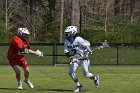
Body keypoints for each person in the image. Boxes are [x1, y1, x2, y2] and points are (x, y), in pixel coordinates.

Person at [64, 26, 99, 92]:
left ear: (72, 32)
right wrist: (68, 54)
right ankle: (79, 85)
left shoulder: (78, 39)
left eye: (67, 33)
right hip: (75, 59)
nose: (66, 35)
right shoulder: (66, 41)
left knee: (87, 75)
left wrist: (87, 48)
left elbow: (87, 43)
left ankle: (95, 77)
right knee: (71, 72)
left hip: (83, 59)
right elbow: (66, 50)